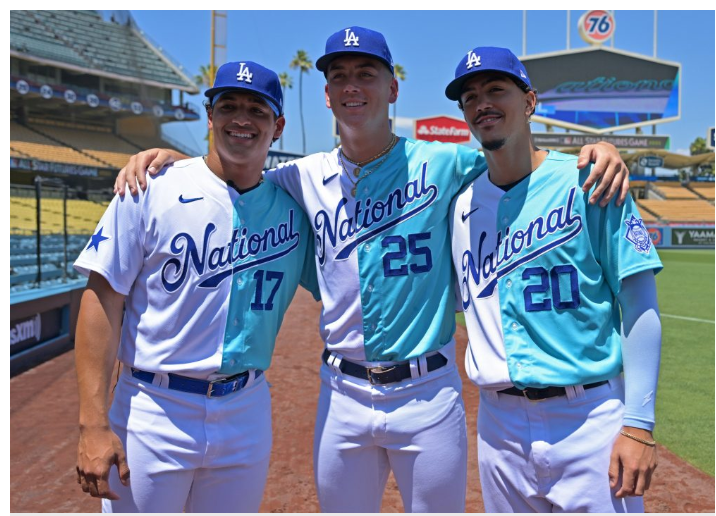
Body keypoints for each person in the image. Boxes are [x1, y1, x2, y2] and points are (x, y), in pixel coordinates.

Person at [113, 27, 631, 513]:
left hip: (428, 390)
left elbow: (520, 160)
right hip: (342, 393)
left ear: (393, 87)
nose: (351, 85)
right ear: (326, 94)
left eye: (366, 73)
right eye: (339, 75)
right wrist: (170, 160)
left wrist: (598, 152)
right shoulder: (299, 178)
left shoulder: (446, 164)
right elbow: (232, 167)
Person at [74, 60, 319, 513]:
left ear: (278, 126)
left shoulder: (294, 210)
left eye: (257, 110)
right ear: (210, 117)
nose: (241, 119)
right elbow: (102, 298)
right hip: (153, 408)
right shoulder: (150, 188)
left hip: (245, 409)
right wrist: (92, 424)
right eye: (228, 106)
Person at [445, 46, 662, 512]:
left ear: (529, 101)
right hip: (499, 425)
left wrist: (639, 424)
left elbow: (639, 301)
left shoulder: (591, 181)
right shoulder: (460, 207)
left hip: (589, 419)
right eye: (470, 96)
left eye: (496, 89)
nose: (481, 102)